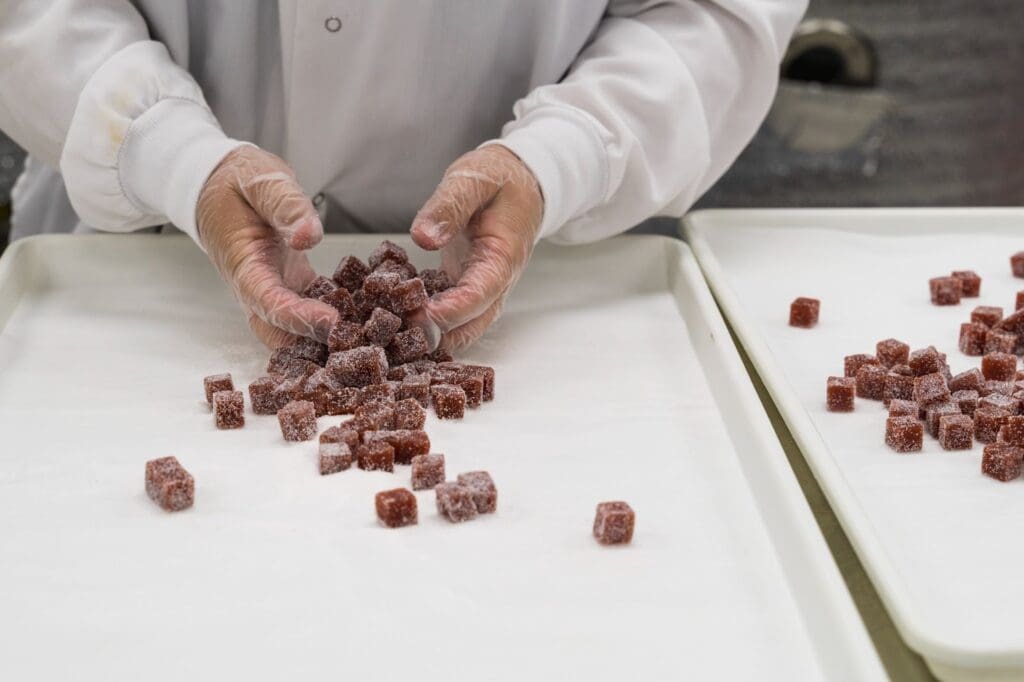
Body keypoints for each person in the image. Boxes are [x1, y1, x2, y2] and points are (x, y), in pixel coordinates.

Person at [0, 0, 806, 350]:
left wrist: (561, 153)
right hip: (129, 271)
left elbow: (710, 19)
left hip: (565, 278)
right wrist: (165, 151)